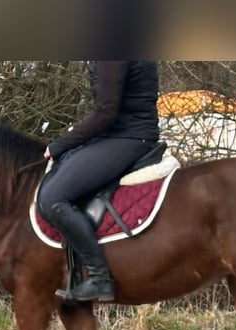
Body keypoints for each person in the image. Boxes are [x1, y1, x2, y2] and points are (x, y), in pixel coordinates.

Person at [37, 61, 160, 302]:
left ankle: (99, 277)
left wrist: (61, 145)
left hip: (127, 136)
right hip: (121, 134)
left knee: (53, 197)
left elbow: (106, 112)